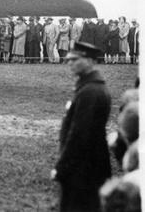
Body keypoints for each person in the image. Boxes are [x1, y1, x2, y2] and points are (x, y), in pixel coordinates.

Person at [51, 41, 112, 212]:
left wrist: (62, 167)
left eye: (75, 59)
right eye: (69, 59)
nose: (69, 63)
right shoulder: (88, 87)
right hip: (84, 165)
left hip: (84, 168)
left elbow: (79, 135)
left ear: (90, 61)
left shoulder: (90, 92)